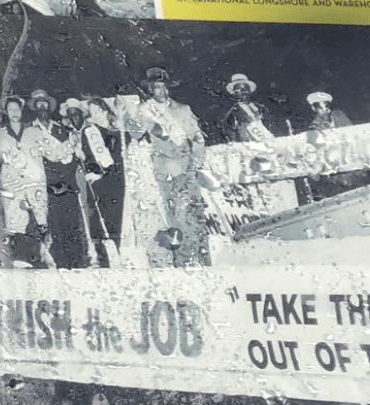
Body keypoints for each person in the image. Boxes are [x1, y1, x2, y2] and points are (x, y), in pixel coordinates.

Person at [135, 67, 209, 266]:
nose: (162, 91)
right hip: (167, 170)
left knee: (196, 212)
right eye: (157, 87)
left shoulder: (183, 109)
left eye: (164, 86)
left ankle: (203, 258)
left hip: (188, 168)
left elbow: (197, 138)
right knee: (176, 216)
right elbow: (137, 134)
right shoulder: (145, 111)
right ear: (150, 89)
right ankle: (183, 261)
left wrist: (196, 164)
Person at [0, 96, 65, 268]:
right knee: (16, 223)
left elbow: (53, 153)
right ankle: (21, 259)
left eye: (17, 109)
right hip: (13, 186)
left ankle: (41, 256)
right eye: (11, 110)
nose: (14, 113)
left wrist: (69, 146)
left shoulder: (34, 131)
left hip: (35, 184)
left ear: (21, 111)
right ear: (6, 112)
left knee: (40, 221)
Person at [30, 89, 87, 269]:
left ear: (49, 107)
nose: (42, 107)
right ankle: (61, 265)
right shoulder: (29, 131)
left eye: (44, 103)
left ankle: (77, 264)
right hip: (48, 186)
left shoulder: (62, 129)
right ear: (34, 108)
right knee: (55, 228)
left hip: (67, 185)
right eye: (38, 104)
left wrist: (65, 180)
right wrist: (52, 181)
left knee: (73, 225)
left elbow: (72, 157)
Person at [68, 97, 125, 267]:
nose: (97, 114)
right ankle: (105, 259)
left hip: (119, 180)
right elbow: (89, 160)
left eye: (99, 110)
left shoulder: (118, 129)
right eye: (93, 112)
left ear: (106, 110)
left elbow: (125, 153)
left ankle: (122, 255)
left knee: (119, 218)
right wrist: (81, 156)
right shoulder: (90, 132)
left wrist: (122, 115)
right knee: (101, 220)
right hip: (100, 182)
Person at [221, 73, 274, 144]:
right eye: (240, 90)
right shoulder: (232, 115)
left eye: (246, 90)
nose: (243, 93)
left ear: (250, 91)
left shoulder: (261, 108)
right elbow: (232, 137)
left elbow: (271, 126)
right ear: (234, 93)